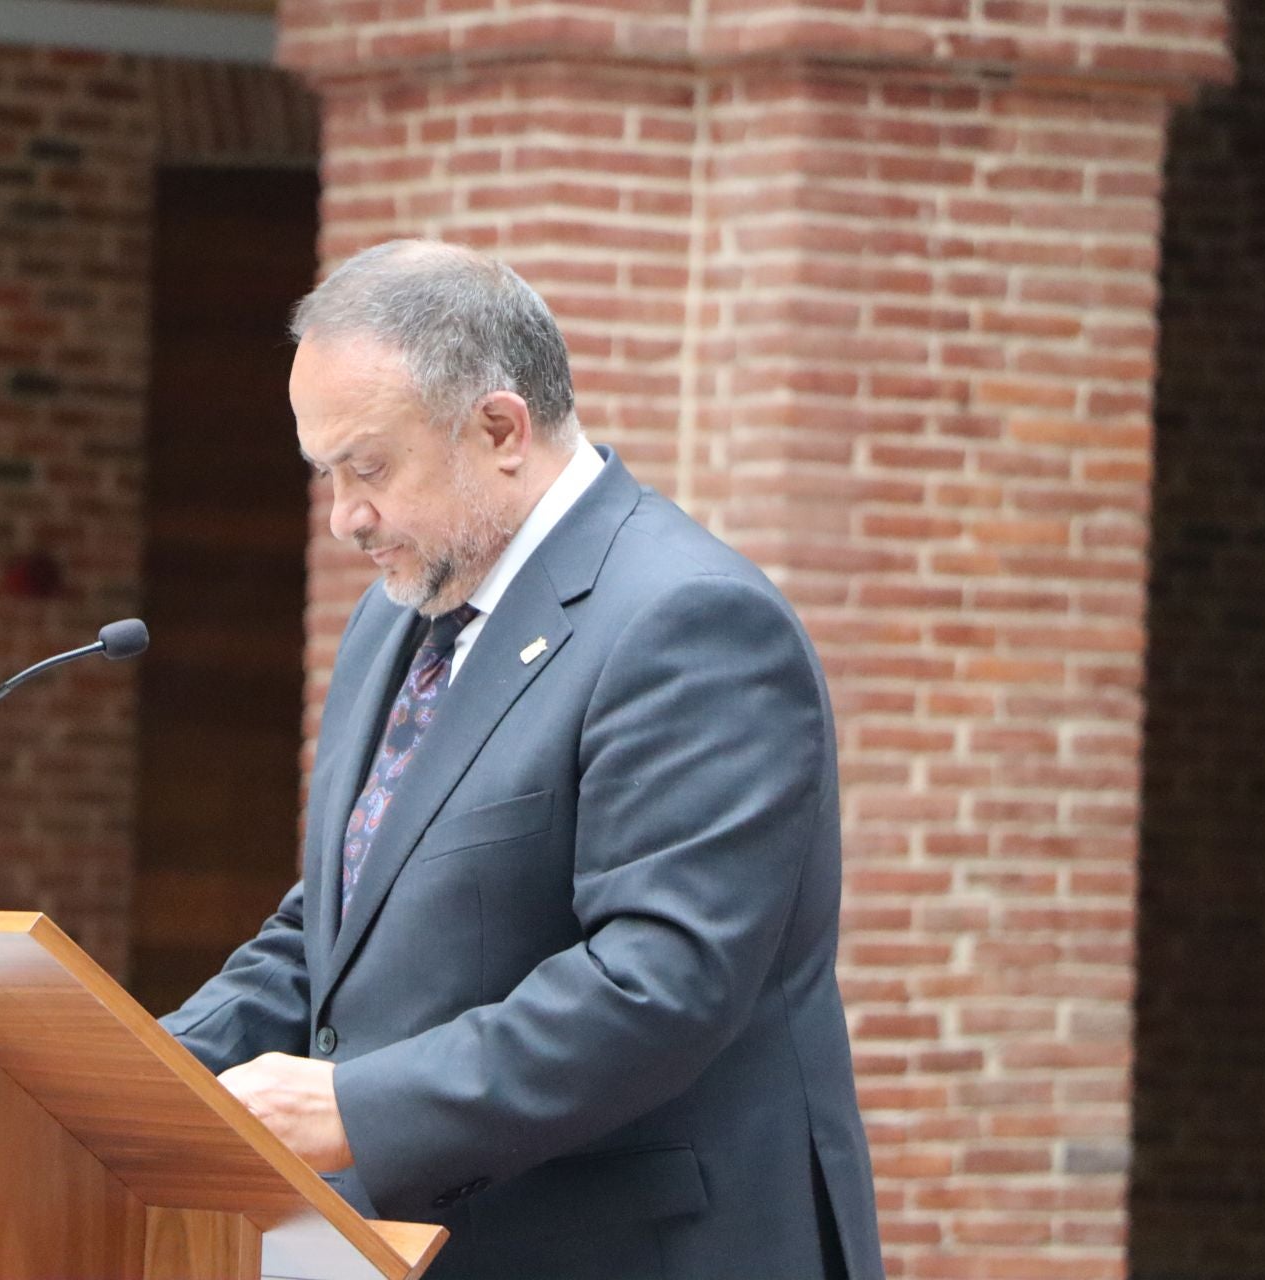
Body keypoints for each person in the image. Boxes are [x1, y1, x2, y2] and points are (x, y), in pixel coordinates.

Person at [162, 239, 884, 1280]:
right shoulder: (396, 614)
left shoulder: (690, 621)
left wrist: (355, 1107)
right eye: (326, 474)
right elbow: (342, 918)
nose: (343, 518)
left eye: (368, 467)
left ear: (501, 427)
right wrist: (147, 1069)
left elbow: (658, 981)